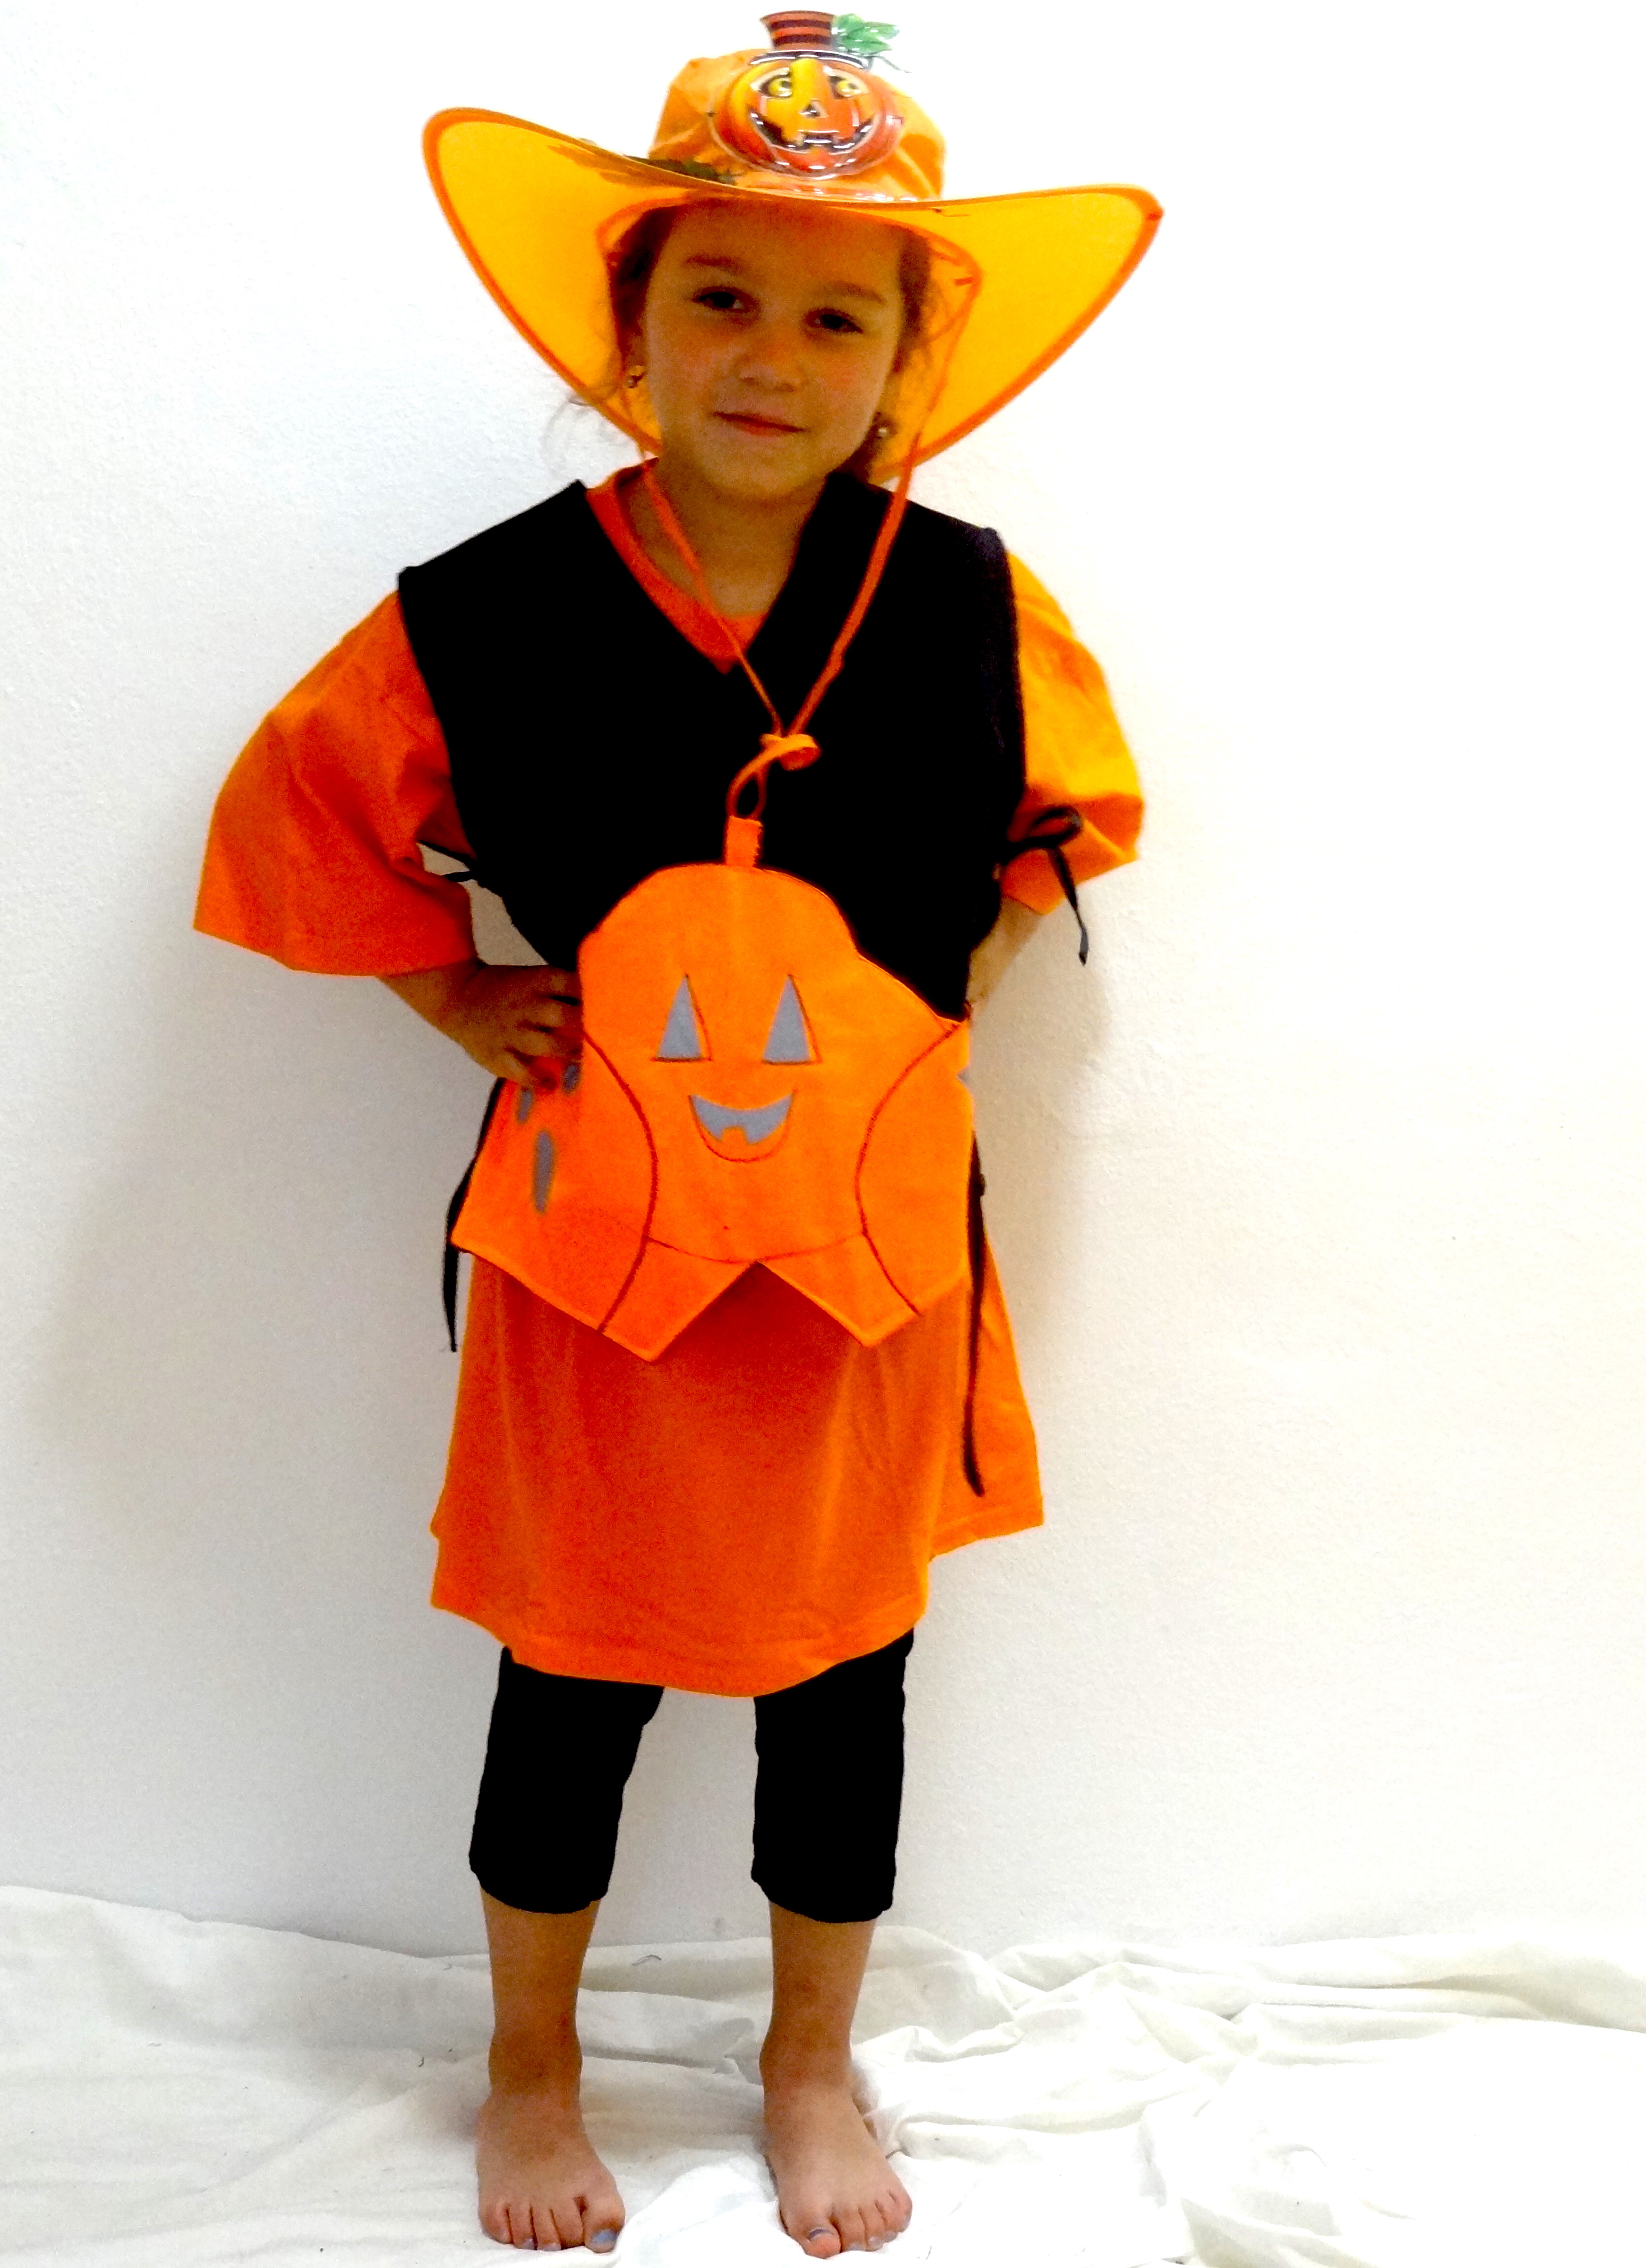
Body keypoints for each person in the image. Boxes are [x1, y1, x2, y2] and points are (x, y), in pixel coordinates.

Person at [196, 14, 1157, 2257]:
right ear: (628, 325)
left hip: (865, 1248)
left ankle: (807, 2061)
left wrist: (932, 1000)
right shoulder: (483, 609)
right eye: (720, 296)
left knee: (845, 1673)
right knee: (570, 1666)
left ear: (903, 362)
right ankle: (531, 2070)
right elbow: (299, 815)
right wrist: (459, 993)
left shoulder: (971, 596)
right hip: (595, 1243)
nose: (769, 356)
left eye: (835, 316)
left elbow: (1075, 816)